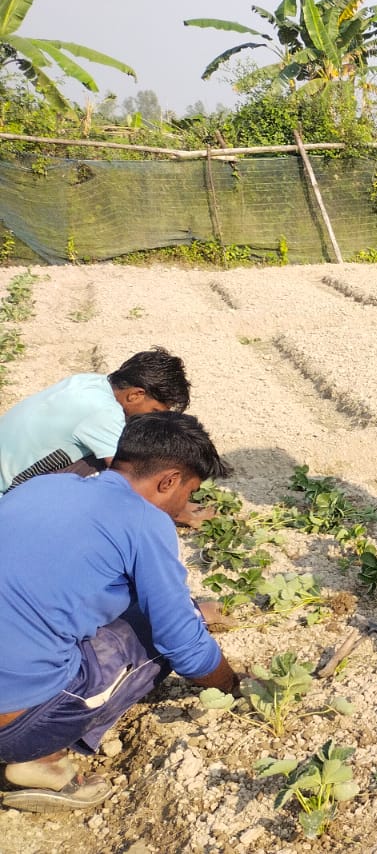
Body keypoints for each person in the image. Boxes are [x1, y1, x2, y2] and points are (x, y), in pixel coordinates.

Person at [0, 411, 240, 813]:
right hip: (17, 726)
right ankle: (42, 761)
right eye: (189, 491)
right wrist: (233, 686)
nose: (186, 504)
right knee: (149, 636)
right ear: (168, 481)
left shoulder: (44, 486)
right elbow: (183, 644)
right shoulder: (145, 522)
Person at [0, 347, 189, 494]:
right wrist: (182, 511)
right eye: (154, 410)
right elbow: (131, 479)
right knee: (115, 475)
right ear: (135, 395)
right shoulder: (103, 413)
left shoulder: (89, 381)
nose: (154, 417)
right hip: (8, 491)